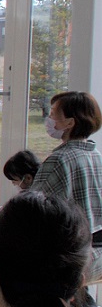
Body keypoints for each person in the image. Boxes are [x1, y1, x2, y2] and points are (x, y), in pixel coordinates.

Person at [29, 91, 102, 280]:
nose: (49, 118)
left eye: (53, 114)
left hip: (72, 257)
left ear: (70, 123)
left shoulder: (59, 160)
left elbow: (29, 208)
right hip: (97, 253)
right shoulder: (97, 155)